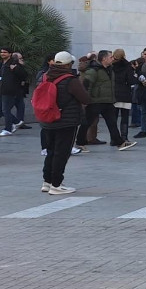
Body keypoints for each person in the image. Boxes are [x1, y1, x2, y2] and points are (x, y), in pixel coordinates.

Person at [39, 52, 90, 194]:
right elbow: (85, 99)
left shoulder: (45, 76)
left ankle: (47, 182)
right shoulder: (70, 80)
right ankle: (56, 184)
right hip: (66, 121)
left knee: (51, 151)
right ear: (69, 64)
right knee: (62, 153)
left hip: (48, 120)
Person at [78, 50, 134, 152]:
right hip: (95, 101)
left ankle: (119, 143)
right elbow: (86, 85)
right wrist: (85, 100)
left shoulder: (110, 69)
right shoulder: (93, 70)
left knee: (112, 123)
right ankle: (79, 143)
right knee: (87, 122)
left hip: (108, 101)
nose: (113, 58)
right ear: (104, 59)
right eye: (110, 57)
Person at [0, 46, 27, 136]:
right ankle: (17, 121)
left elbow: (23, 74)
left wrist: (15, 69)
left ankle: (8, 129)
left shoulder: (14, 63)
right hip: (0, 89)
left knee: (5, 110)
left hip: (9, 90)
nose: (2, 54)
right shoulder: (1, 63)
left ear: (10, 54)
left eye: (5, 52)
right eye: (1, 52)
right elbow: (1, 75)